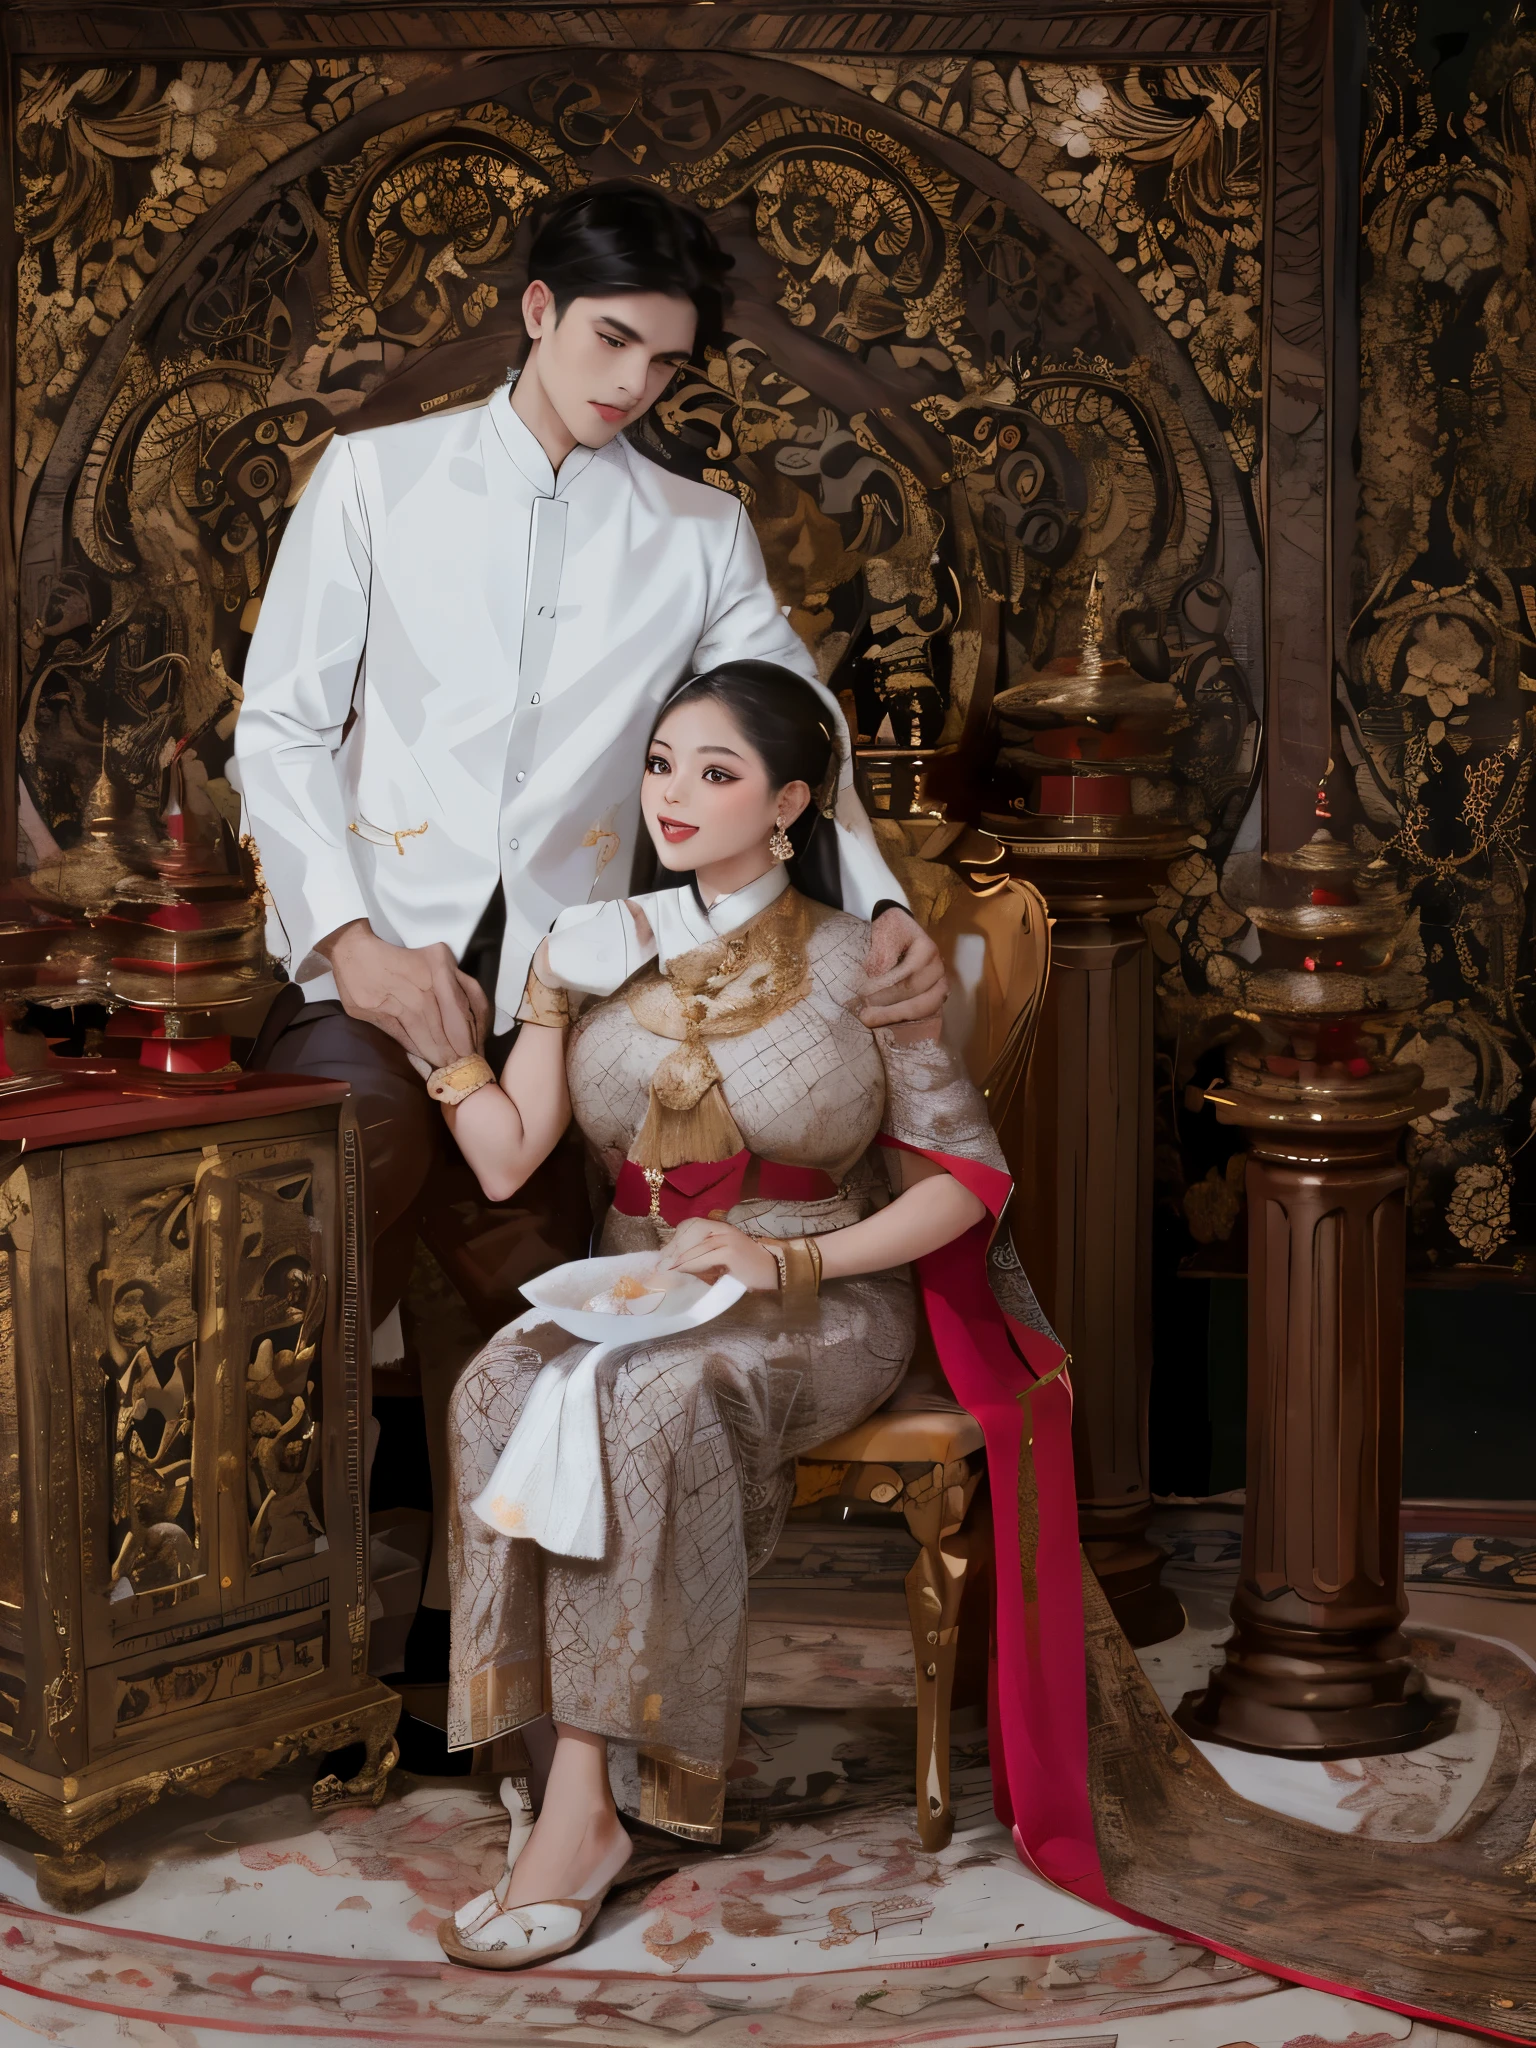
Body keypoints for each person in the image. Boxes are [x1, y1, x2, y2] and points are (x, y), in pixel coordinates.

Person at [431, 661, 1083, 1971]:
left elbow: (968, 1185)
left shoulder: (866, 965)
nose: (674, 794)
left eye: (715, 773)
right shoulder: (594, 946)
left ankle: (585, 1821)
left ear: (789, 802)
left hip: (817, 1298)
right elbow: (508, 1159)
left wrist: (796, 1266)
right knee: (495, 1383)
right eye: (662, 762)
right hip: (631, 1290)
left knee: (656, 1401)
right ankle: (555, 1760)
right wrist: (464, 1033)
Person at [231, 180, 945, 1342]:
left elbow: (799, 724)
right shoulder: (373, 479)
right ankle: (270, 1516)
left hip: (571, 999)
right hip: (369, 966)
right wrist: (349, 945)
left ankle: (490, 1519)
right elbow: (282, 728)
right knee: (322, 1212)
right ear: (537, 308)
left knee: (555, 1330)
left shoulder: (697, 531)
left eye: (663, 363)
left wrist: (882, 903)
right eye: (611, 339)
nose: (630, 383)